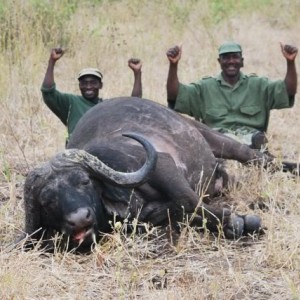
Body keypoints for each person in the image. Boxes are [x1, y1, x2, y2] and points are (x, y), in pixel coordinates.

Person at [166, 41, 298, 150]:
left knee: (257, 143)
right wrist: (173, 65)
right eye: (226, 57)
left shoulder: (259, 85)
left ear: (242, 61)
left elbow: (288, 91)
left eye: (235, 57)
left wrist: (290, 62)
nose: (231, 61)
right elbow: (175, 96)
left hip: (253, 143)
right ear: (219, 61)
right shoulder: (205, 87)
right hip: (218, 145)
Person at [41, 47, 142, 144]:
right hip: (77, 151)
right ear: (80, 86)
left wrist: (137, 73)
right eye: (84, 83)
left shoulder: (108, 106)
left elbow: (134, 105)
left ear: (100, 85)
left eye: (93, 83)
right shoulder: (71, 102)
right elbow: (48, 91)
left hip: (103, 150)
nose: (88, 86)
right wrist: (52, 62)